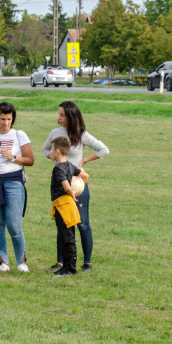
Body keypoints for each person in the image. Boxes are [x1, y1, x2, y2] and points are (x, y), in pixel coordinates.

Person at [41, 101, 109, 273]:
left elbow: (103, 150)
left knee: (83, 224)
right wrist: (53, 158)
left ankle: (87, 263)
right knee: (62, 223)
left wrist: (84, 161)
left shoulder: (81, 134)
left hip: (78, 186)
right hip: (61, 185)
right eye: (59, 114)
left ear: (71, 116)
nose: (59, 117)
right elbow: (44, 149)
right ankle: (61, 262)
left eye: (62, 115)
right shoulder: (55, 133)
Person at [0, 102, 35, 273]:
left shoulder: (19, 135)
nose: (6, 123)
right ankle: (3, 262)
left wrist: (13, 157)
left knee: (14, 226)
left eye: (9, 119)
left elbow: (30, 160)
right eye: (2, 119)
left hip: (13, 183)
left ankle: (21, 262)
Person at [47, 137, 90, 276]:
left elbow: (65, 184)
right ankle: (69, 266)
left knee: (67, 237)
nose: (51, 152)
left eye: (52, 149)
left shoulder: (58, 168)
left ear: (57, 151)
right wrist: (79, 189)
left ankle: (69, 268)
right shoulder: (70, 165)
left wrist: (71, 191)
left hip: (63, 206)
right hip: (68, 205)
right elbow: (86, 175)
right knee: (69, 236)